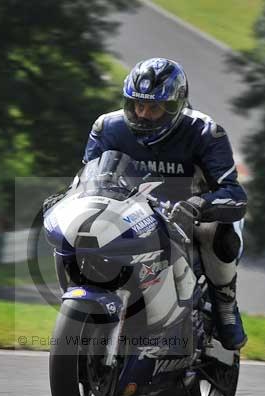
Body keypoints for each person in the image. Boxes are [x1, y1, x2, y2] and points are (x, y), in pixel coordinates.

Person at [82, 57, 248, 351]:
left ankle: (225, 303)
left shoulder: (206, 133)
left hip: (190, 219)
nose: (143, 114)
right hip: (128, 213)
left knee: (217, 234)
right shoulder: (107, 127)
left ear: (175, 106)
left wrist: (198, 205)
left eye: (154, 107)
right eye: (137, 105)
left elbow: (234, 195)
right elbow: (86, 177)